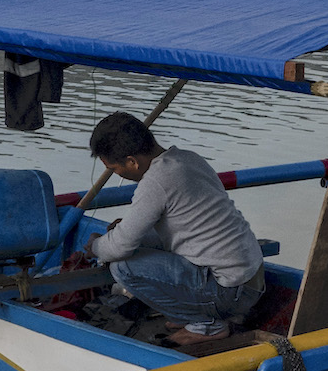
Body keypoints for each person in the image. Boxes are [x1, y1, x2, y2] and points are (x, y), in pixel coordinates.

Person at [85, 111, 267, 347]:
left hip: (231, 293)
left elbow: (118, 248)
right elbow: (177, 226)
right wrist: (122, 234)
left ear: (132, 162)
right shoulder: (187, 159)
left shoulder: (155, 182)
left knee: (123, 266)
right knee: (137, 242)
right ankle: (192, 315)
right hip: (253, 280)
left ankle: (207, 326)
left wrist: (96, 245)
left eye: (114, 168)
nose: (116, 174)